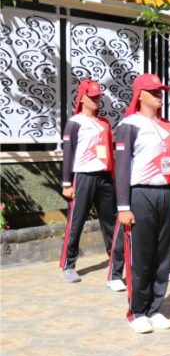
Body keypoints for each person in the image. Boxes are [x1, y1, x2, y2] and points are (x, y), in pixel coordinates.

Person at [115, 73, 170, 333]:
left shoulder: (169, 128)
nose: (158, 96)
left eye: (160, 92)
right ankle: (137, 311)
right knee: (141, 257)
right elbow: (122, 168)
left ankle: (155, 308)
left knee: (163, 257)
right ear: (140, 95)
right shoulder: (129, 125)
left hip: (165, 194)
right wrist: (123, 206)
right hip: (140, 194)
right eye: (153, 92)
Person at [60, 79, 124, 290]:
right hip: (83, 177)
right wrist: (67, 183)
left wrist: (113, 179)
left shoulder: (104, 123)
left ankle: (114, 264)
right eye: (92, 96)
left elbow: (110, 153)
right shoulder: (75, 122)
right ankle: (68, 264)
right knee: (76, 221)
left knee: (110, 223)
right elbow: (68, 154)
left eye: (98, 96)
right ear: (82, 98)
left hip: (104, 178)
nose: (97, 100)